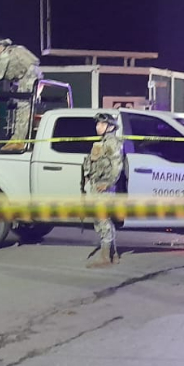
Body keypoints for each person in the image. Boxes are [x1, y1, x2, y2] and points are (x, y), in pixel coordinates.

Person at [82, 113, 124, 268]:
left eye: (101, 124)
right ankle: (113, 254)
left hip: (103, 185)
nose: (97, 127)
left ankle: (105, 257)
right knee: (103, 219)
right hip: (97, 183)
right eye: (97, 124)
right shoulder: (103, 142)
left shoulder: (111, 142)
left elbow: (117, 164)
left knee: (102, 219)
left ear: (110, 127)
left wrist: (109, 183)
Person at [0, 36, 42, 151]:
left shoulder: (5, 55)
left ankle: (18, 141)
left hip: (28, 80)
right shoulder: (18, 49)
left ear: (2, 47)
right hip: (35, 77)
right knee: (28, 110)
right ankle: (20, 140)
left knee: (22, 111)